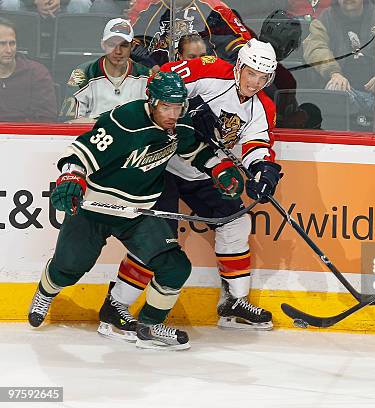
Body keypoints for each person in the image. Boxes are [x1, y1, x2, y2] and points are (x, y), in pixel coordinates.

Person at [27, 71, 244, 350]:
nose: (173, 114)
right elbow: (81, 152)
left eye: (178, 107)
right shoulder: (125, 122)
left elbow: (194, 149)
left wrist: (219, 168)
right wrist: (72, 177)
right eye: (166, 106)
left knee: (175, 267)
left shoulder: (180, 123)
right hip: (96, 208)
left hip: (137, 212)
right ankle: (46, 292)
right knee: (69, 268)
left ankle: (150, 325)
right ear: (151, 101)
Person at [98, 39, 280, 340]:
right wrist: (190, 111)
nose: (255, 82)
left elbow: (257, 145)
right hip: (164, 164)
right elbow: (159, 82)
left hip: (206, 171)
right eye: (251, 73)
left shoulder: (263, 106)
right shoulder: (210, 71)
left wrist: (263, 171)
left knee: (236, 221)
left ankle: (234, 301)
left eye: (263, 78)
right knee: (156, 239)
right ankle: (115, 307)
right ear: (239, 67)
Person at [303, 0, 375, 126]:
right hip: (348, 91)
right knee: (335, 89)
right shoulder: (325, 19)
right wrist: (334, 73)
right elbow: (315, 48)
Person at [60, 18, 151, 123]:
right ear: (103, 45)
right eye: (112, 45)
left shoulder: (146, 76)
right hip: (92, 136)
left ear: (132, 46)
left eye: (124, 45)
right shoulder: (82, 74)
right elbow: (68, 123)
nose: (118, 51)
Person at [128, 0, 252, 66]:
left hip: (202, 82)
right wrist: (149, 62)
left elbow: (245, 43)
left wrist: (217, 68)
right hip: (157, 81)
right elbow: (125, 41)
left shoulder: (215, 7)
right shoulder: (145, 6)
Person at [0, 17, 56, 122]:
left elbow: (47, 120)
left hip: (26, 136)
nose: (8, 50)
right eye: (2, 44)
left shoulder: (37, 73)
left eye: (12, 43)